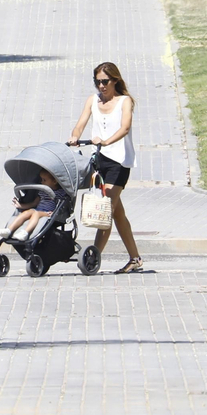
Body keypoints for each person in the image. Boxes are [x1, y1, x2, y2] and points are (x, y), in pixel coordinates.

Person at [68, 61, 142, 274]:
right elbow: (81, 122)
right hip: (99, 160)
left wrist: (107, 141)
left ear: (115, 80)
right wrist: (75, 136)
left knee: (105, 210)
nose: (101, 86)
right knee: (117, 213)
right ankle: (135, 259)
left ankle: (92, 256)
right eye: (97, 82)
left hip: (119, 161)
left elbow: (125, 127)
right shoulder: (93, 101)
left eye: (105, 82)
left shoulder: (124, 101)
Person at [0, 169, 59, 241]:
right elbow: (34, 203)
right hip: (37, 210)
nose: (41, 182)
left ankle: (25, 233)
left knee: (36, 213)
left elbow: (61, 204)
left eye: (44, 180)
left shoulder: (60, 193)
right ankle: (9, 230)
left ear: (54, 181)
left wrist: (56, 212)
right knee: (28, 212)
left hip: (48, 213)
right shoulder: (42, 192)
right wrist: (21, 206)